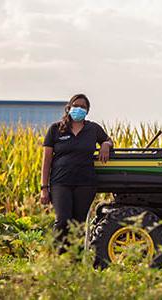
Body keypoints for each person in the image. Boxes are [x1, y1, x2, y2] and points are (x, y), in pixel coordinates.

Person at [40, 94, 113, 249]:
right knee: (63, 221)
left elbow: (108, 139)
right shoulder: (55, 129)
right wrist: (44, 188)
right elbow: (46, 160)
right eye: (76, 105)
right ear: (69, 107)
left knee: (78, 224)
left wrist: (106, 144)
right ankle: (56, 258)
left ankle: (75, 262)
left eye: (83, 107)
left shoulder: (93, 129)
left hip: (85, 183)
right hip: (60, 182)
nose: (79, 109)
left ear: (87, 111)